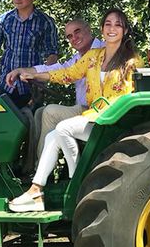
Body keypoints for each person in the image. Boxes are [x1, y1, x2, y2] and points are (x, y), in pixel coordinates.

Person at [7, 9, 150, 212]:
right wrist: (33, 74)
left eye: (117, 24)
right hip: (95, 118)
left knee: (63, 128)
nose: (112, 28)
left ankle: (77, 183)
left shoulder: (132, 61)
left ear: (124, 30)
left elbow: (142, 85)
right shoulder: (93, 57)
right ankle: (36, 190)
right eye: (108, 24)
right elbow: (65, 73)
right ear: (102, 29)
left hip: (114, 121)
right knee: (53, 135)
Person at [6, 19, 104, 169]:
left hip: (99, 111)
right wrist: (22, 71)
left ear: (89, 29)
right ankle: (29, 166)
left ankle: (41, 172)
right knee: (39, 113)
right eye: (69, 36)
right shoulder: (78, 59)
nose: (74, 38)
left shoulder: (103, 51)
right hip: (85, 109)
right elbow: (59, 68)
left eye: (77, 31)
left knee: (50, 112)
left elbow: (65, 74)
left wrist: (36, 75)